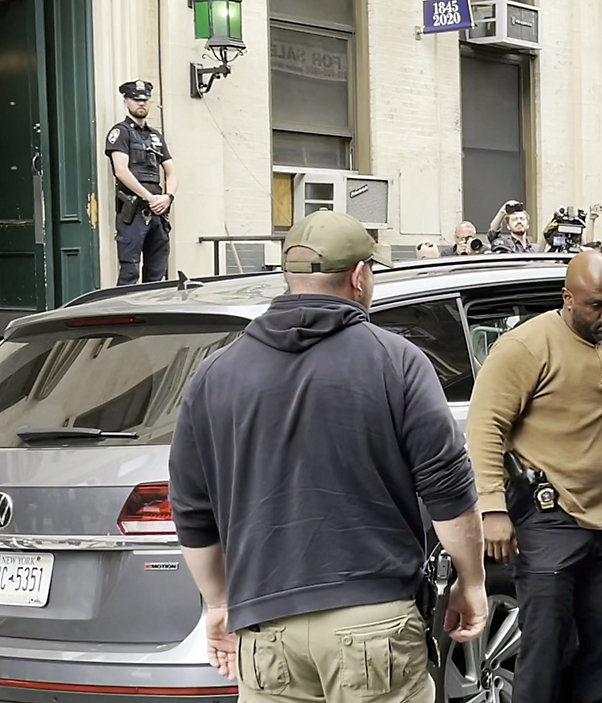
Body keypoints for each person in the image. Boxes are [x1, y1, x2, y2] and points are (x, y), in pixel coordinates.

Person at [168, 210, 486, 702]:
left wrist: (219, 604)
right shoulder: (396, 361)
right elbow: (449, 492)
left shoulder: (215, 374)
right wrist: (472, 581)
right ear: (359, 277)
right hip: (374, 623)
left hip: (266, 630)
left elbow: (191, 511)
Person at [466, 251, 602, 703]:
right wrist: (492, 509)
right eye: (596, 306)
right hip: (549, 517)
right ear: (567, 299)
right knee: (545, 645)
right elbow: (485, 427)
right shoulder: (526, 346)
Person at [105, 80, 177, 286]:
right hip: (134, 212)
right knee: (129, 273)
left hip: (158, 213)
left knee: (157, 273)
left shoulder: (156, 136)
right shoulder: (120, 133)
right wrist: (150, 198)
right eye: (136, 99)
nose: (141, 104)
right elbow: (121, 170)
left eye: (145, 100)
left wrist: (168, 197)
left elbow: (171, 172)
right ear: (126, 101)